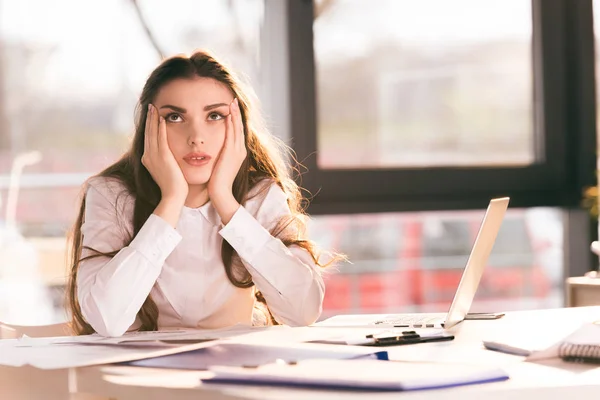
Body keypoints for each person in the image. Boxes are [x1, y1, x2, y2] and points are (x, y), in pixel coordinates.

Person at [66, 50, 333, 337]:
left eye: (215, 115)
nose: (196, 137)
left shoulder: (259, 194)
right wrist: (170, 202)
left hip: (236, 370)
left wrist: (227, 204)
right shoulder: (111, 194)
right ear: (149, 125)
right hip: (139, 373)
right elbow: (105, 320)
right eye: (175, 117)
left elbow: (303, 311)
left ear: (238, 125)